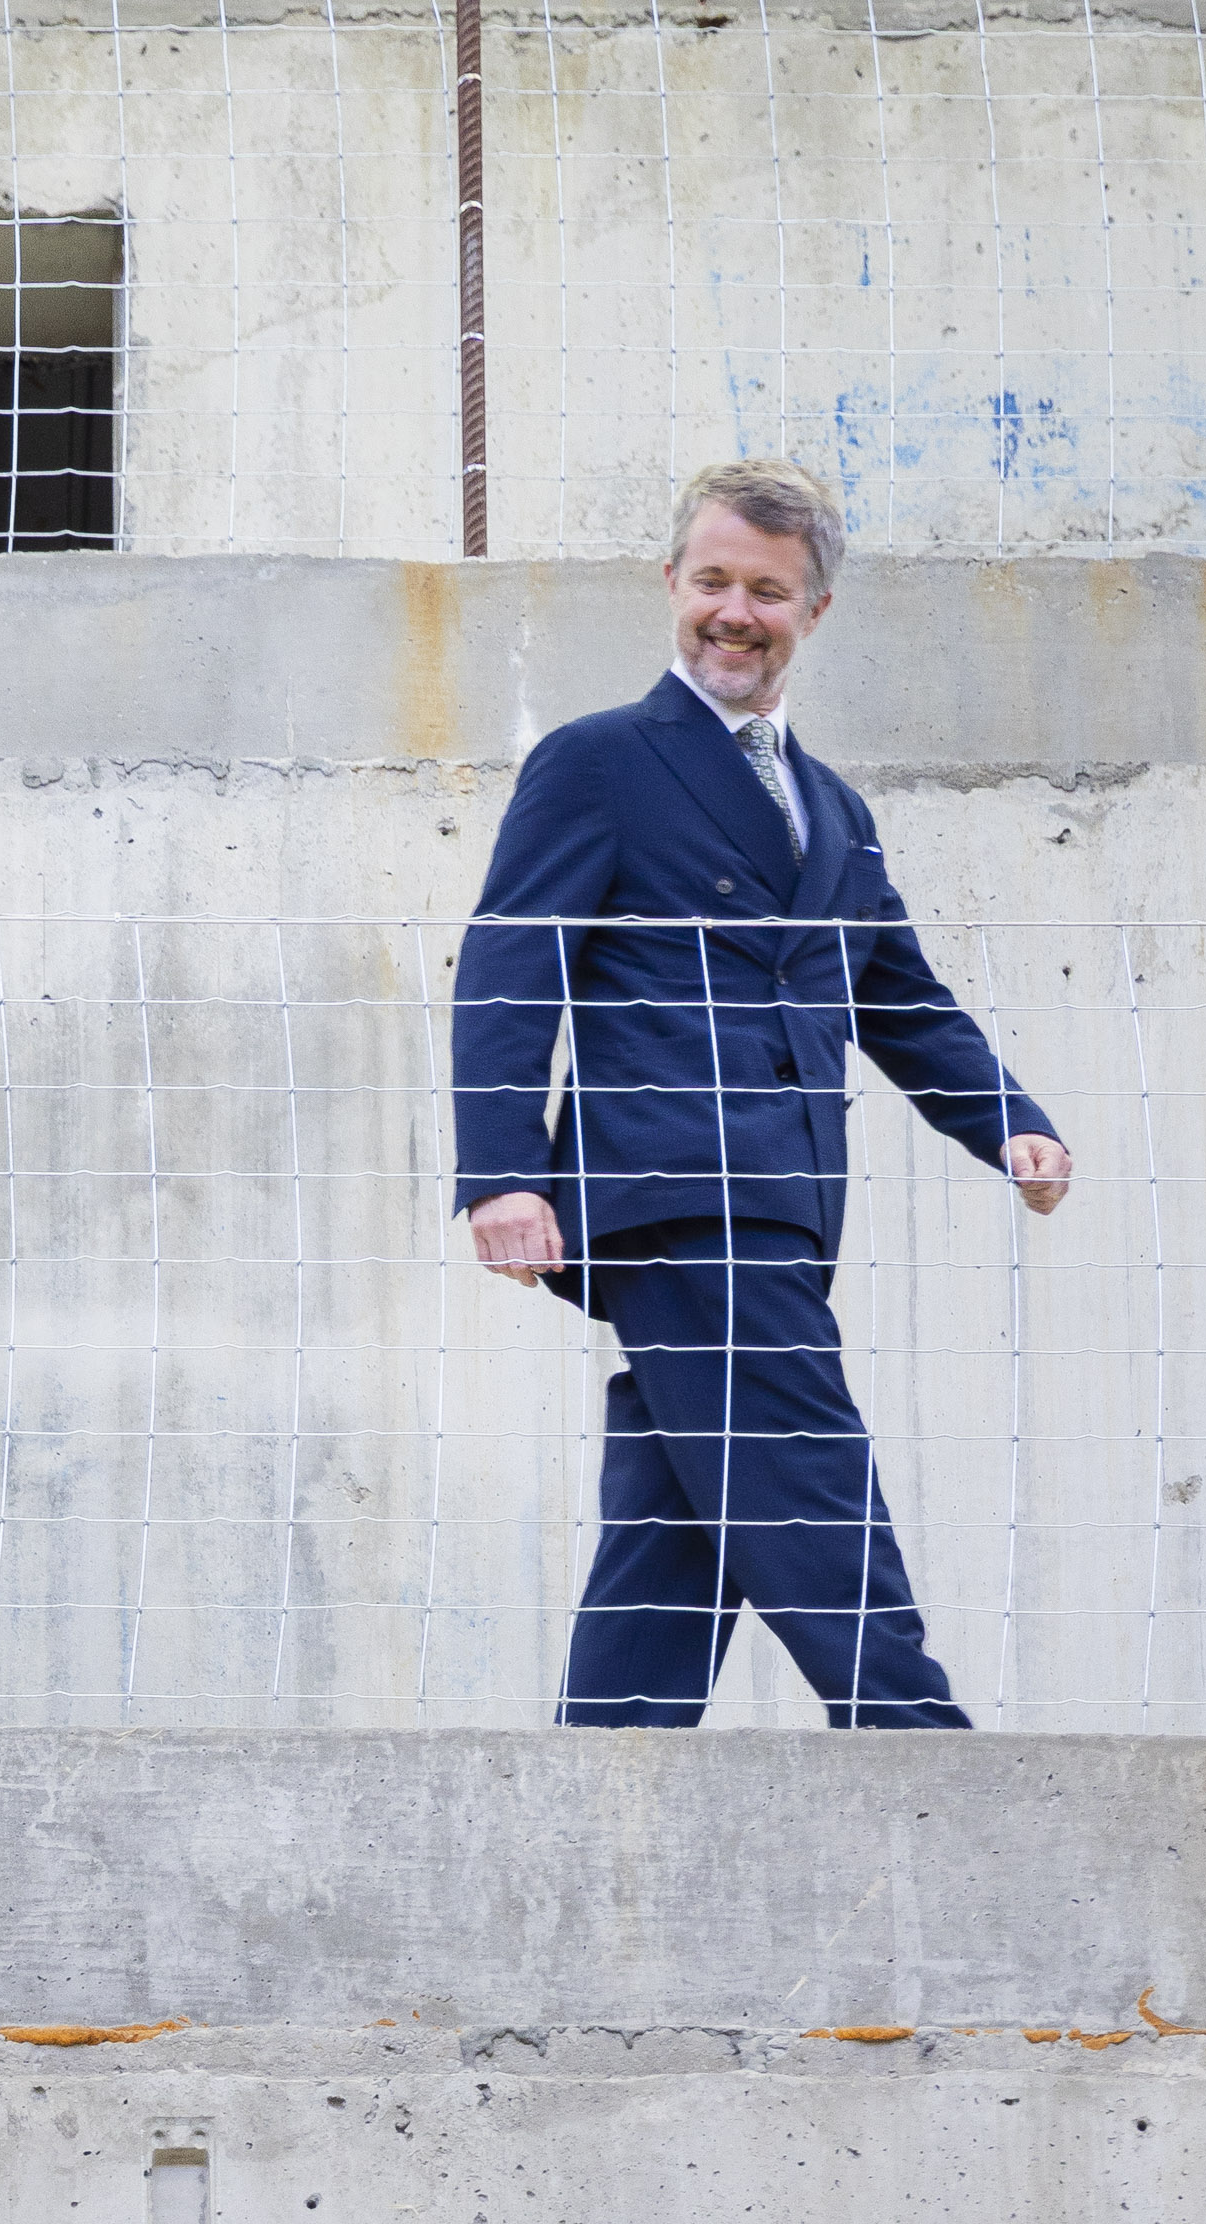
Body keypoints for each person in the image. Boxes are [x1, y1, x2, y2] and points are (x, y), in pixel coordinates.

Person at [452, 459, 1071, 1730]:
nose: (734, 613)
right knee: (803, 1473)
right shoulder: (598, 762)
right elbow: (511, 966)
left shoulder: (831, 806)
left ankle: (604, 1775)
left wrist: (1008, 1117)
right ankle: (916, 1744)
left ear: (813, 611)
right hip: (671, 1192)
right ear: (670, 586)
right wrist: (500, 1173)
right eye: (712, 581)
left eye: (767, 592)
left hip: (783, 1200)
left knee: (680, 1522)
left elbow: (897, 994)